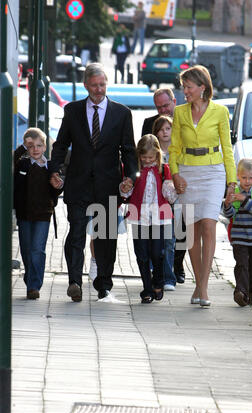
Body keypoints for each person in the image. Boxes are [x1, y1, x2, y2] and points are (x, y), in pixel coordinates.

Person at [49, 62, 137, 302]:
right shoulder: (73, 111)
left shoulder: (121, 113)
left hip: (108, 185)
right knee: (77, 232)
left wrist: (131, 176)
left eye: (102, 85)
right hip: (79, 183)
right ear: (86, 85)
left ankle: (103, 284)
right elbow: (60, 145)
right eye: (94, 85)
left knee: (106, 237)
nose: (99, 90)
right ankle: (75, 281)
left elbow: (129, 150)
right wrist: (54, 170)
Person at [169, 65, 237, 307]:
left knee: (209, 225)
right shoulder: (179, 112)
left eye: (188, 87)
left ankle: (203, 288)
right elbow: (174, 147)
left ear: (202, 88)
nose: (184, 91)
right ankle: (199, 284)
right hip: (187, 172)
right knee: (192, 235)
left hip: (212, 171)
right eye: (183, 87)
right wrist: (175, 174)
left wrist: (231, 181)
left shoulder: (220, 112)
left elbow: (227, 149)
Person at [120, 134, 177, 304]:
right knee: (142, 254)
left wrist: (172, 187)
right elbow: (126, 193)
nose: (147, 160)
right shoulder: (133, 170)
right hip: (139, 217)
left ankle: (158, 281)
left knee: (157, 252)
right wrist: (124, 187)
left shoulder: (163, 170)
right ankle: (147, 288)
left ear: (157, 155)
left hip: (159, 217)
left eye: (150, 157)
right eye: (143, 157)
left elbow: (170, 196)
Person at [142, 88, 186, 286]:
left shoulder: (184, 119)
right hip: (157, 193)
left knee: (183, 228)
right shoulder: (150, 124)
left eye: (165, 105)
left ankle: (177, 267)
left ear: (174, 101)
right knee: (165, 233)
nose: (163, 110)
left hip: (181, 184)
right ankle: (164, 271)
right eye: (158, 107)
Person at [14, 128, 61, 300]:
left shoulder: (50, 167)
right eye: (31, 146)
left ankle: (34, 286)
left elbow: (55, 190)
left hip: (43, 214)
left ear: (45, 147)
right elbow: (9, 160)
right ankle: (30, 278)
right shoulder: (22, 164)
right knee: (26, 250)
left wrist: (58, 186)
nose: (35, 149)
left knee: (37, 250)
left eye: (39, 145)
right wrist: (21, 147)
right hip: (24, 214)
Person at [223, 158, 252, 307]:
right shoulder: (235, 193)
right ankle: (240, 293)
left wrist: (244, 200)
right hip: (240, 238)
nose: (247, 181)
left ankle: (251, 293)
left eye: (251, 178)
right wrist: (227, 204)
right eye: (244, 178)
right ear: (237, 176)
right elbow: (230, 215)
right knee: (242, 265)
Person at [152, 115, 177, 291]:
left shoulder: (178, 151)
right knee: (154, 240)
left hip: (172, 202)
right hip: (153, 201)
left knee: (169, 240)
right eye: (161, 129)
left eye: (168, 128)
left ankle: (169, 278)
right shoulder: (151, 152)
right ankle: (155, 273)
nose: (165, 132)